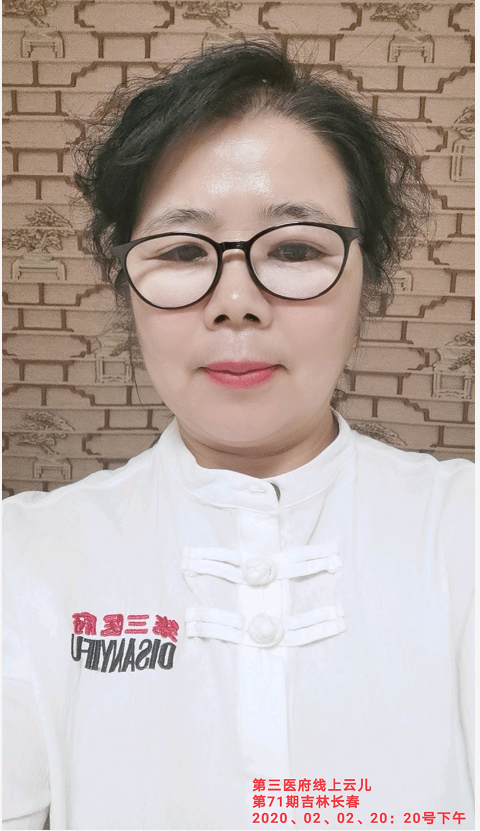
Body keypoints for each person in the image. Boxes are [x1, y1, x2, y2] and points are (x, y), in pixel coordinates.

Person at [3, 41, 473, 831]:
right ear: (127, 287)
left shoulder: (463, 533)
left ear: (368, 279)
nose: (236, 301)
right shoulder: (24, 557)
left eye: (294, 249)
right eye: (183, 251)